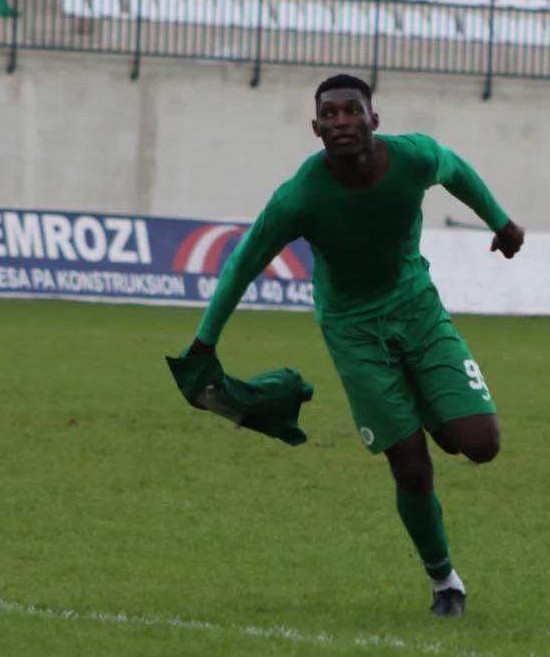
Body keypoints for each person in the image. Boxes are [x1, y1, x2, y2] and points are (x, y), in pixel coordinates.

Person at [178, 73, 524, 616]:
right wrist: (204, 343)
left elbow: (455, 169)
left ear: (374, 119)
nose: (343, 121)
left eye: (352, 111)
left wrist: (501, 224)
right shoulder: (299, 197)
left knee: (479, 443)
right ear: (316, 129)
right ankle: (445, 584)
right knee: (411, 466)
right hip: (352, 329)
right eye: (331, 115)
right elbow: (244, 263)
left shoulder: (414, 158)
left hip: (418, 310)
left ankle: (432, 412)